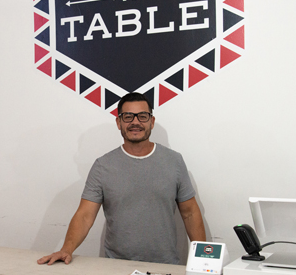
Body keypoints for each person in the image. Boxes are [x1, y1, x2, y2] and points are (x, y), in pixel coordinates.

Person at [37, 92, 206, 265]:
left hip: (165, 267)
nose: (135, 122)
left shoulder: (174, 161)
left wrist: (203, 259)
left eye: (142, 116)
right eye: (128, 117)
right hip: (116, 267)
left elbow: (190, 213)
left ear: (152, 121)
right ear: (119, 123)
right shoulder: (103, 166)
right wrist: (66, 249)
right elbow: (85, 216)